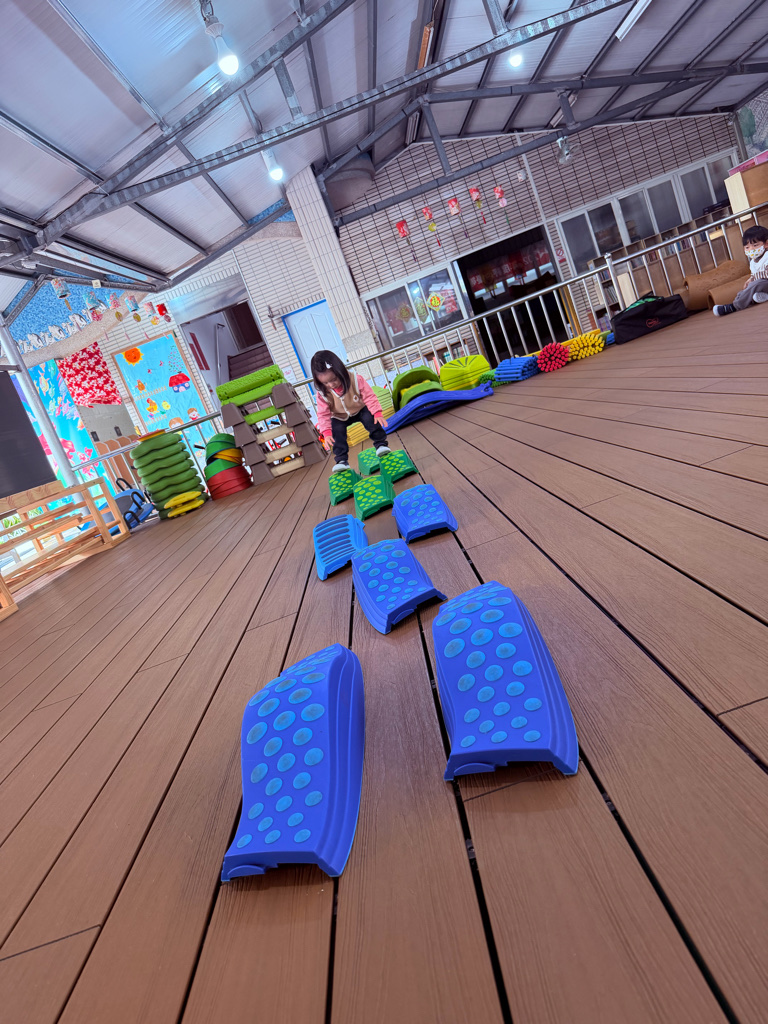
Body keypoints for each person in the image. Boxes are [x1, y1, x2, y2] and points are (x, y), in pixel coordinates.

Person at [311, 350, 390, 472]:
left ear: (340, 371)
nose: (331, 385)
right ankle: (341, 460)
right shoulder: (322, 393)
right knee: (336, 431)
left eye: (334, 379)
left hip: (360, 409)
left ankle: (381, 445)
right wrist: (326, 432)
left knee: (370, 418)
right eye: (325, 383)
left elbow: (369, 396)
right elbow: (323, 414)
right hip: (339, 416)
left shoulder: (355, 379)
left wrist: (377, 412)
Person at [713, 225, 768, 315]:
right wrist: (750, 280)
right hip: (763, 286)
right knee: (748, 289)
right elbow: (755, 274)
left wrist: (752, 279)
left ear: (766, 244)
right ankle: (760, 297)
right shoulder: (753, 262)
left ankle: (734, 306)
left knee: (756, 284)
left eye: (755, 245)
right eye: (747, 247)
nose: (751, 249)